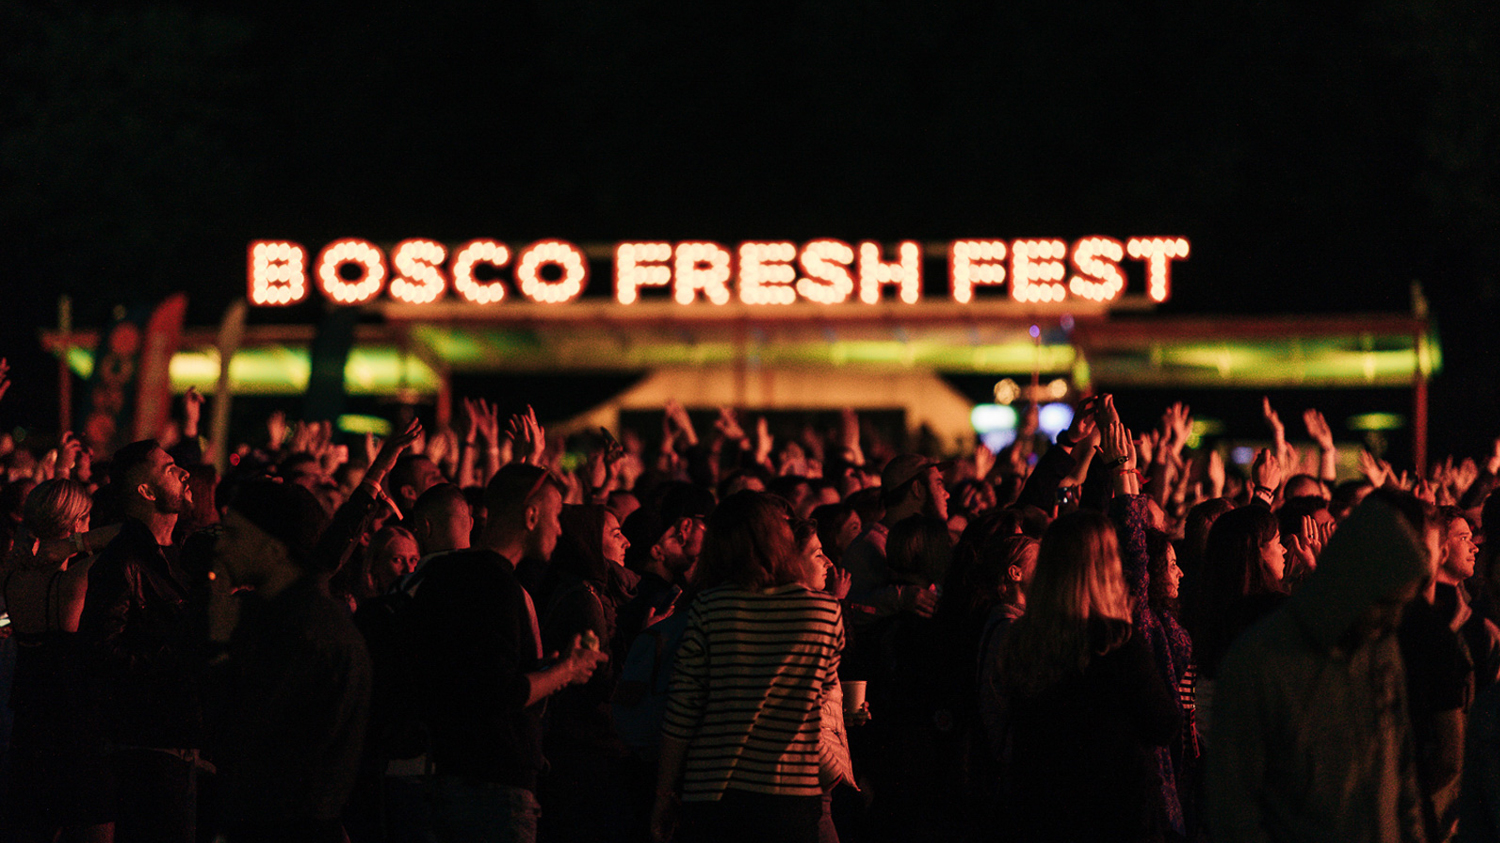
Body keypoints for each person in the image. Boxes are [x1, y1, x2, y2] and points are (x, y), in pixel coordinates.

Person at [1206, 494, 1430, 843]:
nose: (1394, 619)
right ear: (1351, 580)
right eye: (1386, 603)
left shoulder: (1379, 648)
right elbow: (1234, 810)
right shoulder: (1259, 661)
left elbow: (1402, 774)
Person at [408, 463, 608, 843]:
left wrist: (547, 668)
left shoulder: (443, 577)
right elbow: (499, 692)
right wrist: (568, 669)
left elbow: (467, 676)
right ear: (531, 516)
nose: (560, 529)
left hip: (446, 776)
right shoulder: (495, 586)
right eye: (556, 516)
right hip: (491, 792)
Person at [651, 491, 845, 843]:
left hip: (713, 789)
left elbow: (682, 711)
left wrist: (664, 793)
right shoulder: (825, 612)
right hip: (791, 792)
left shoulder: (709, 607)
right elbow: (823, 697)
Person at [995, 508, 1181, 843]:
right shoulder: (1116, 642)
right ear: (1107, 567)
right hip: (1117, 815)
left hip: (1045, 813)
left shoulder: (1023, 639)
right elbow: (1163, 723)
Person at [206, 479, 373, 843]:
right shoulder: (304, 618)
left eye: (235, 535)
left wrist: (219, 643)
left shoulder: (295, 631)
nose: (222, 547)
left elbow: (247, 732)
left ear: (272, 549)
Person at [80, 439, 205, 843]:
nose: (184, 472)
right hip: (149, 753)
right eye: (170, 469)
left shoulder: (188, 553)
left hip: (185, 743)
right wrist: (179, 658)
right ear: (146, 492)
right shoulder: (124, 563)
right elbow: (101, 651)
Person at [2, 479, 120, 843]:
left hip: (28, 720)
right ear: (75, 524)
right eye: (86, 519)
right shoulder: (76, 582)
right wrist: (75, 545)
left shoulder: (10, 576)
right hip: (74, 721)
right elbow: (134, 535)